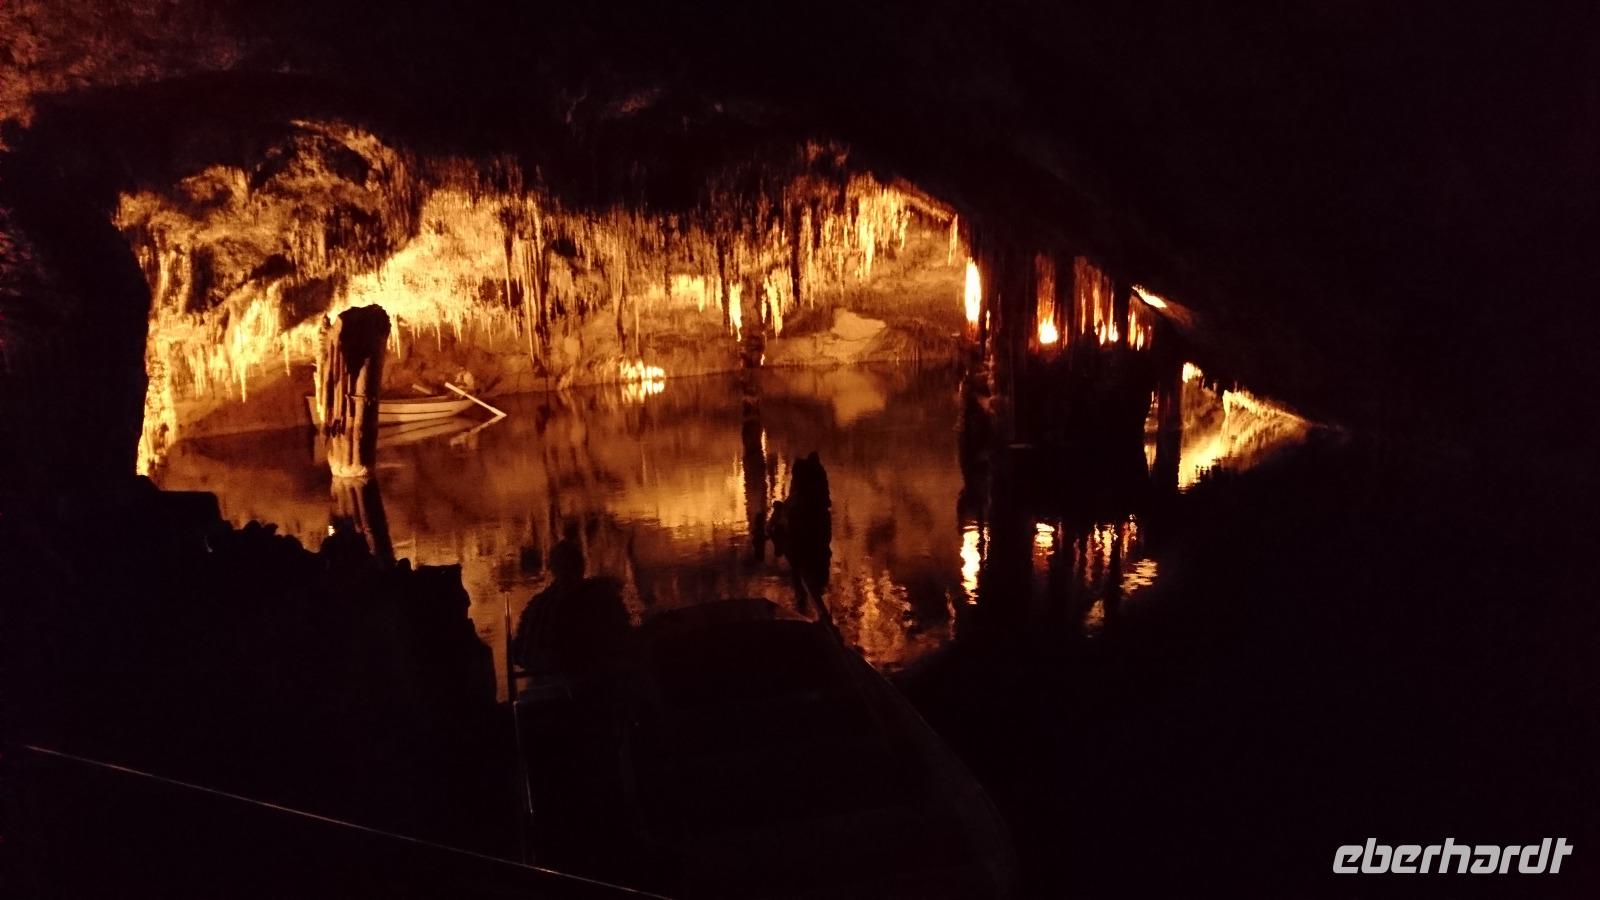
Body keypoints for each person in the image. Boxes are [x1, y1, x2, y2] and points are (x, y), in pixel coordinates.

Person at [512, 521, 629, 681]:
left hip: (543, 677)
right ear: (582, 567)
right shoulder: (597, 598)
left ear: (553, 570)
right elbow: (621, 637)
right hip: (581, 680)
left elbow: (520, 653)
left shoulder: (537, 604)